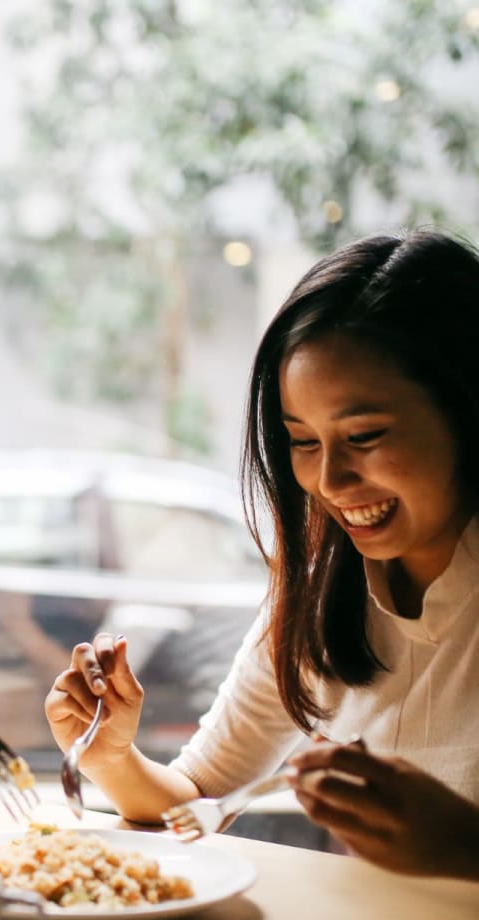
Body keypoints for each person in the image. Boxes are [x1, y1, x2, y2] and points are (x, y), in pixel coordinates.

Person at [46, 229, 479, 881]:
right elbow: (198, 799)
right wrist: (111, 756)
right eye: (302, 441)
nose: (329, 481)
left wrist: (460, 844)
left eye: (365, 435)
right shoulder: (323, 589)